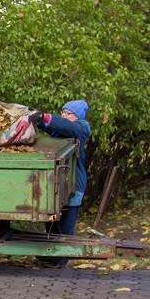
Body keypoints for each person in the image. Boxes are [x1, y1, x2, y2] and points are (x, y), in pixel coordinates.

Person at [28, 100, 92, 267]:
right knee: (51, 225)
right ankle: (51, 257)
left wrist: (47, 117)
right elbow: (52, 127)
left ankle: (60, 261)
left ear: (78, 116)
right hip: (57, 186)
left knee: (65, 227)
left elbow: (67, 127)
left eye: (68, 113)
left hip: (73, 187)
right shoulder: (61, 129)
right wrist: (37, 120)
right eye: (62, 112)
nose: (64, 115)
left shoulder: (81, 127)